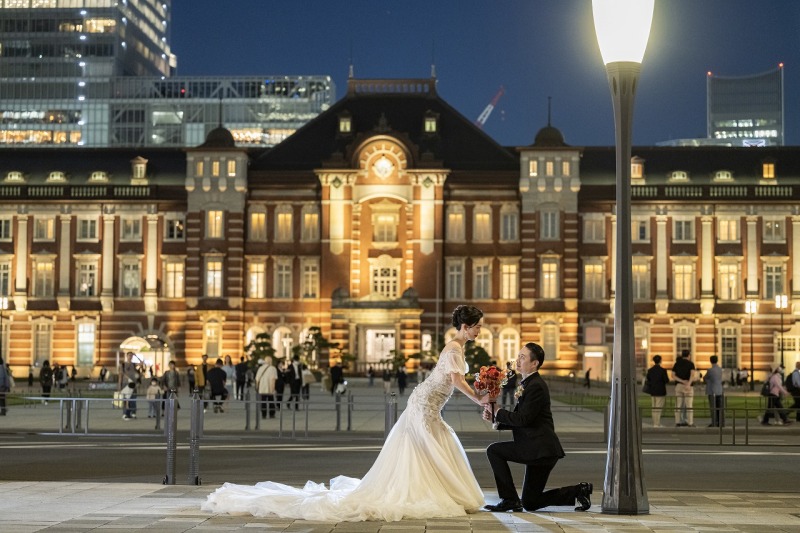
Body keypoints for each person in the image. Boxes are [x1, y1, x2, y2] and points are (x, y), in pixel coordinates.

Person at [203, 304, 490, 521]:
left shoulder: (456, 347)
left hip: (427, 403)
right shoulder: (454, 348)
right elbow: (455, 380)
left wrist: (481, 383)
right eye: (477, 326)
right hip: (426, 405)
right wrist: (478, 398)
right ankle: (429, 491)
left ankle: (431, 489)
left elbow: (453, 377)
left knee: (423, 449)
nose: (479, 330)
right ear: (466, 326)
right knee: (425, 448)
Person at [483, 342, 592, 513]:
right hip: (541, 450)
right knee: (531, 502)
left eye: (523, 357)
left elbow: (524, 419)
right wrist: (496, 419)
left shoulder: (536, 386)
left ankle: (509, 499)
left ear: (534, 363)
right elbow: (525, 419)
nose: (517, 361)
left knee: (494, 451)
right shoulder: (528, 383)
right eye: (518, 356)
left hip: (538, 448)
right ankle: (579, 491)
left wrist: (498, 411)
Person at [672, 349, 696, 427]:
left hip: (679, 386)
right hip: (688, 386)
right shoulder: (691, 364)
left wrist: (682, 381)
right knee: (689, 405)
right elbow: (692, 375)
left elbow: (673, 376)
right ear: (689, 355)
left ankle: (677, 422)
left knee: (678, 405)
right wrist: (688, 383)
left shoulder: (677, 363)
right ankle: (690, 422)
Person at [644, 355, 669, 427]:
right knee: (658, 408)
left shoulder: (650, 370)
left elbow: (648, 380)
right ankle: (657, 423)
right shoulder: (663, 370)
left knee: (654, 407)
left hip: (653, 391)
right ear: (660, 361)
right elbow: (666, 380)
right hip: (660, 391)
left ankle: (655, 422)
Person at [703, 355, 724, 427]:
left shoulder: (710, 370)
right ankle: (720, 422)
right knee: (719, 408)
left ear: (710, 361)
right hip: (720, 390)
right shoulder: (720, 369)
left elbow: (705, 378)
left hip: (712, 391)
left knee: (713, 408)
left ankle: (714, 423)